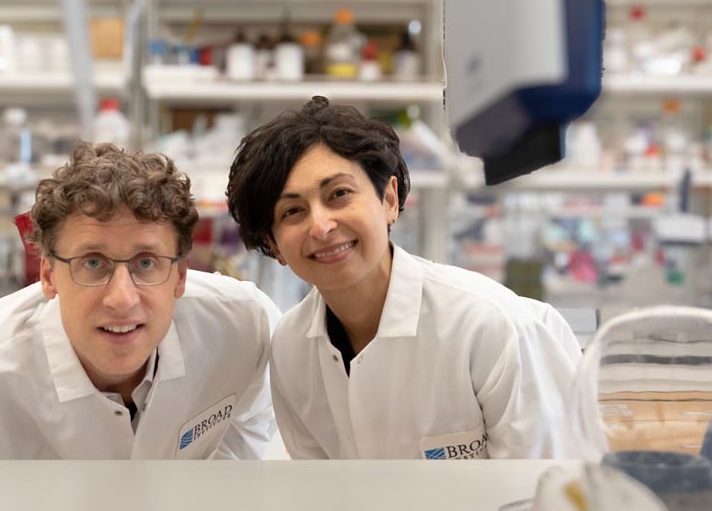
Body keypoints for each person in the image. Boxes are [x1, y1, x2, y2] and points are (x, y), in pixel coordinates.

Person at [225, 96, 582, 459]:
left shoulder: (489, 325)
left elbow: (551, 488)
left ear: (389, 200)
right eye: (293, 211)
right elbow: (325, 491)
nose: (321, 226)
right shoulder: (290, 348)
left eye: (339, 194)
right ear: (275, 245)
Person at [0, 142, 280, 459]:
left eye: (146, 263)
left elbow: (249, 423)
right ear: (48, 275)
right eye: (92, 263)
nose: (121, 298)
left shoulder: (243, 327)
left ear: (180, 276)